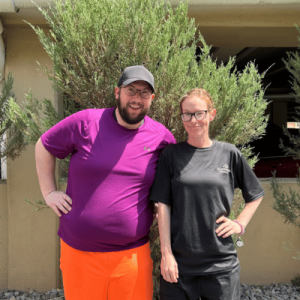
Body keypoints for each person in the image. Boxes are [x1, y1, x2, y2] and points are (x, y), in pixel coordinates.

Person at [35, 65, 176, 300]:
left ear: (152, 99)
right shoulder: (86, 122)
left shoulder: (161, 137)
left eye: (144, 93)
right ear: (117, 92)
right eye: (131, 90)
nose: (136, 98)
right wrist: (49, 192)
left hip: (132, 256)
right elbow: (44, 145)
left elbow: (172, 183)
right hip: (79, 253)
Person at [150, 88, 265, 300]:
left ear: (211, 114)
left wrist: (239, 224)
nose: (193, 120)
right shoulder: (171, 155)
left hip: (221, 267)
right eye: (187, 114)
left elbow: (255, 194)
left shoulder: (229, 153)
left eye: (199, 113)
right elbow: (163, 205)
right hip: (179, 267)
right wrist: (166, 255)